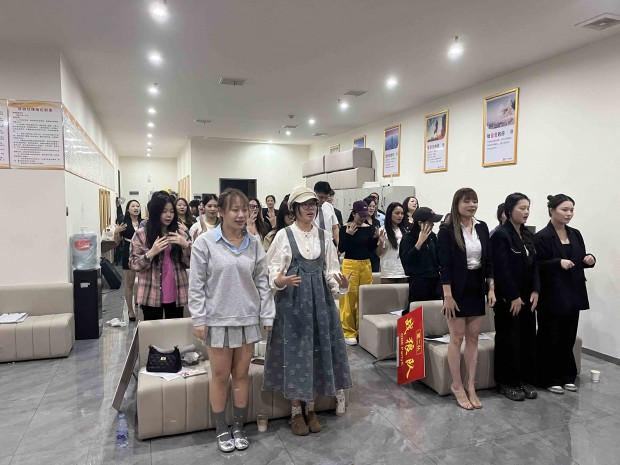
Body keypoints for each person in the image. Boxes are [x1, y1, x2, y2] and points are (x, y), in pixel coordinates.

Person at [188, 188, 275, 453]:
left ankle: (238, 426)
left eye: (245, 209)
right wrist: (198, 318)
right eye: (235, 209)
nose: (241, 215)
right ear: (221, 211)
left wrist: (267, 314)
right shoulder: (204, 243)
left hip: (247, 318)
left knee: (241, 375)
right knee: (219, 376)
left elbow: (262, 282)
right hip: (217, 319)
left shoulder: (254, 243)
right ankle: (220, 428)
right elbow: (196, 285)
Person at [264, 186, 352, 436]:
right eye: (305, 205)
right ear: (295, 209)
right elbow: (271, 269)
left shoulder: (324, 236)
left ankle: (311, 408)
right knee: (295, 354)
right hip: (291, 304)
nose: (310, 208)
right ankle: (295, 411)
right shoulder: (284, 235)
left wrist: (340, 286)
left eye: (313, 204)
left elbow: (331, 271)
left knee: (316, 351)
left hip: (320, 304)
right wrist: (279, 281)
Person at [437, 188, 495, 410]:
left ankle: (471, 385)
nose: (472, 205)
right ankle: (457, 385)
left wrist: (491, 288)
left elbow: (488, 261)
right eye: (467, 201)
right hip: (455, 289)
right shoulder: (447, 230)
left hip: (476, 287)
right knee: (457, 338)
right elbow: (444, 265)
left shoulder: (482, 227)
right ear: (457, 204)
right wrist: (447, 295)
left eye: (475, 201)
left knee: (473, 337)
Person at [535, 194, 596, 395]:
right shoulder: (542, 236)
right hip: (552, 294)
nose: (569, 214)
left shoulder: (575, 234)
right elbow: (537, 266)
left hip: (573, 292)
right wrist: (557, 263)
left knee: (568, 337)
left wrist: (589, 259)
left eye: (571, 210)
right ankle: (549, 377)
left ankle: (567, 376)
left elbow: (579, 259)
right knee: (550, 337)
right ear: (551, 210)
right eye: (564, 210)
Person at [491, 193, 540, 402]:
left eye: (528, 208)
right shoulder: (501, 235)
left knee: (527, 338)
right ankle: (506, 382)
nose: (526, 212)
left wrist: (536, 290)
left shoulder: (527, 234)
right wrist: (513, 296)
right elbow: (501, 269)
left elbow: (535, 265)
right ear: (509, 210)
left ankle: (523, 379)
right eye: (522, 208)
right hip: (509, 299)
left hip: (528, 297)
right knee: (508, 339)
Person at [130, 194, 192, 320]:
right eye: (164, 211)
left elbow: (190, 263)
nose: (169, 215)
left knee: (174, 330)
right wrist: (151, 253)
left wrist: (186, 245)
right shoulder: (142, 234)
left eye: (171, 211)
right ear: (155, 212)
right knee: (153, 331)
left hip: (176, 291)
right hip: (151, 293)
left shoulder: (179, 234)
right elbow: (133, 264)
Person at [338, 201, 379, 345]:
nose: (362, 218)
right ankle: (348, 331)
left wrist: (376, 238)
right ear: (354, 213)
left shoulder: (369, 228)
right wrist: (348, 235)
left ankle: (362, 329)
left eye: (364, 215)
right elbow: (341, 248)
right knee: (349, 298)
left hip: (365, 264)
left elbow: (371, 249)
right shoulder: (345, 228)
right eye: (360, 215)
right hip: (350, 264)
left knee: (365, 298)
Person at [399, 207, 444, 309]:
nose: (433, 225)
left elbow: (438, 257)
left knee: (434, 311)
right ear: (420, 223)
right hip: (418, 281)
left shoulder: (432, 236)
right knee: (417, 311)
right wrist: (419, 243)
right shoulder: (408, 238)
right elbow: (407, 261)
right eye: (430, 222)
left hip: (435, 279)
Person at [113, 199, 142, 321]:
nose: (135, 208)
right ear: (128, 209)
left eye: (137, 206)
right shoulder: (123, 223)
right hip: (128, 254)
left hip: (142, 255)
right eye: (133, 206)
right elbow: (117, 242)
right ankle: (130, 310)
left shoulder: (144, 222)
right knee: (129, 283)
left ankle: (141, 305)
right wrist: (116, 232)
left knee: (142, 282)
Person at [376, 202, 407, 284]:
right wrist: (381, 243)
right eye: (397, 213)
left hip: (403, 272)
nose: (400, 216)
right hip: (388, 272)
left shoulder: (405, 231)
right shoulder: (382, 230)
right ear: (390, 214)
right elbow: (378, 253)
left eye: (402, 213)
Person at [313, 181, 340, 246]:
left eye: (326, 197)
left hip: (329, 243)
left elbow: (335, 227)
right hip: (314, 243)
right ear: (314, 193)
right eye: (321, 197)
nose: (323, 200)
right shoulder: (309, 209)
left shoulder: (329, 207)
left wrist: (337, 245)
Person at [363, 196, 382, 272]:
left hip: (375, 254)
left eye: (373, 206)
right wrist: (374, 236)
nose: (371, 208)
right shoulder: (361, 222)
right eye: (369, 206)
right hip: (364, 255)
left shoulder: (376, 222)